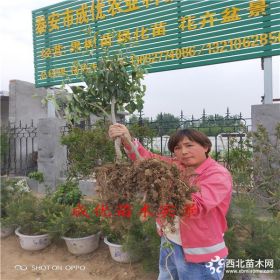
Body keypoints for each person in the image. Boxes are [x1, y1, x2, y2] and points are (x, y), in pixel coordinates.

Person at [109, 123, 232, 280]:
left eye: (189, 145)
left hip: (199, 253)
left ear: (206, 147)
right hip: (169, 241)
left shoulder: (218, 175)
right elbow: (146, 159)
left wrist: (163, 184)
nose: (184, 152)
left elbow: (195, 207)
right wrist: (126, 139)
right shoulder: (177, 166)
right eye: (178, 148)